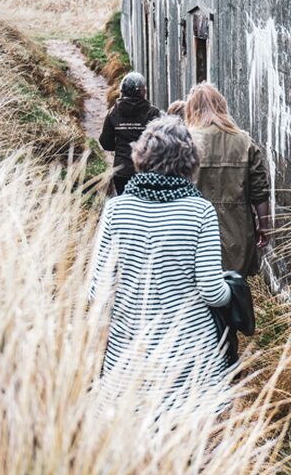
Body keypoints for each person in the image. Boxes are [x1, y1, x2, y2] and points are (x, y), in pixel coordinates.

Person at [89, 116, 231, 409]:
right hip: (190, 359)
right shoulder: (201, 212)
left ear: (141, 155)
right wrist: (235, 291)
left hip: (129, 356)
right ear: (189, 161)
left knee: (135, 443)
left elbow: (97, 293)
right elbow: (212, 292)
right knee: (188, 443)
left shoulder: (116, 210)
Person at [184, 82, 271, 276]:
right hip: (238, 230)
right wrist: (264, 225)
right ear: (221, 106)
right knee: (234, 287)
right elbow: (260, 190)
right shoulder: (244, 142)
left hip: (193, 230)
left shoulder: (185, 142)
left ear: (191, 109)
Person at [98, 72, 161, 195]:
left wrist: (120, 146)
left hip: (121, 171)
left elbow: (105, 143)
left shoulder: (113, 112)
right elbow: (161, 143)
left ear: (122, 91)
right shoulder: (153, 113)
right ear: (142, 92)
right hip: (146, 171)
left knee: (125, 206)